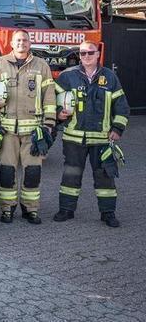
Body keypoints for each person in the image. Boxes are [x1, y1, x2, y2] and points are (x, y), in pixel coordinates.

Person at [0, 30, 55, 224]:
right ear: (11, 43)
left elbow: (49, 95)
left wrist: (49, 124)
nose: (22, 43)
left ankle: (30, 210)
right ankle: (7, 209)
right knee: (7, 171)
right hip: (6, 131)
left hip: (33, 131)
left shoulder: (41, 65)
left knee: (33, 173)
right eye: (18, 40)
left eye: (25, 40)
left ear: (30, 43)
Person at [53, 41, 130, 227]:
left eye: (90, 53)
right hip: (73, 137)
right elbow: (52, 100)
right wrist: (57, 113)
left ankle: (108, 214)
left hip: (101, 138)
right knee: (71, 175)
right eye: (82, 53)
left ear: (98, 55)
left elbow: (122, 107)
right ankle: (66, 210)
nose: (86, 56)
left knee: (105, 176)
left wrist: (117, 129)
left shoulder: (110, 77)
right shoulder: (67, 76)